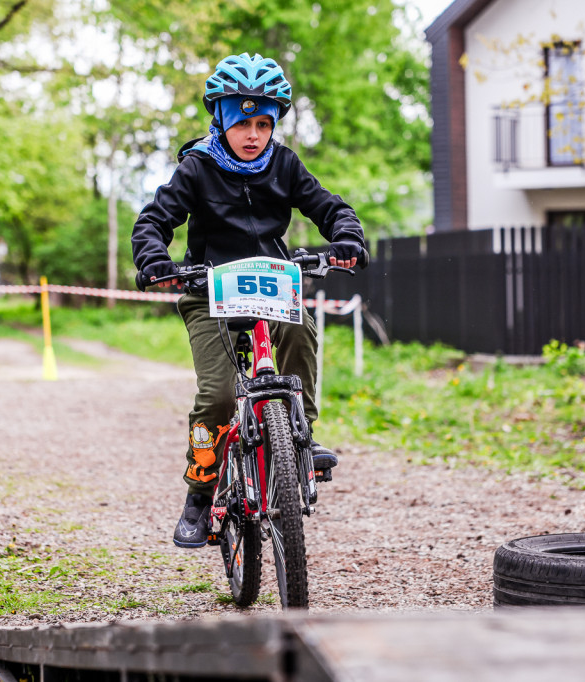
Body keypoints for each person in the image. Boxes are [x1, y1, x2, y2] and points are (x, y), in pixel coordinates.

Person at [131, 52, 366, 548]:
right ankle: (199, 489)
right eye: (243, 122)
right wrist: (155, 259)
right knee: (217, 395)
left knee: (301, 327)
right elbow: (154, 221)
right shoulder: (197, 168)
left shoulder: (284, 163)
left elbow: (329, 206)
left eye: (264, 122)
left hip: (272, 288)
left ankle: (300, 432)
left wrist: (346, 236)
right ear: (221, 118)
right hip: (208, 292)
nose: (254, 134)